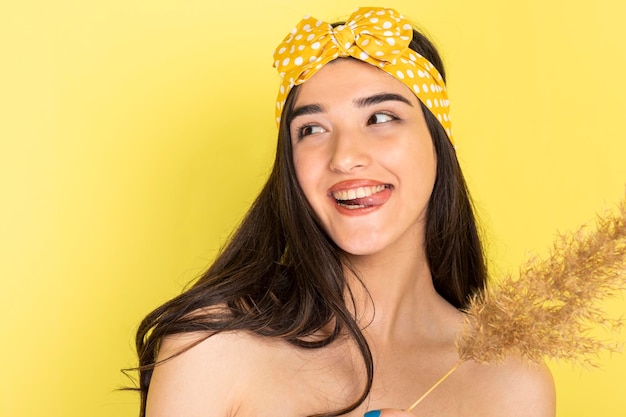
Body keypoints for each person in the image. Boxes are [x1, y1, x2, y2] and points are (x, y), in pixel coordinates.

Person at [134, 6, 556, 417]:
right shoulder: (209, 346)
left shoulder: (511, 381)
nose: (344, 157)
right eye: (312, 129)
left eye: (381, 117)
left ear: (438, 142)